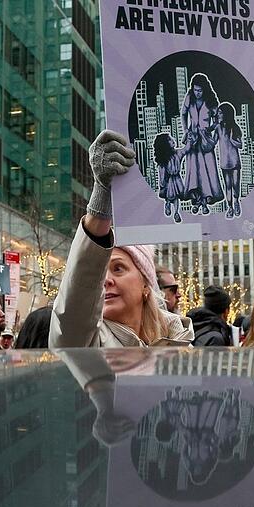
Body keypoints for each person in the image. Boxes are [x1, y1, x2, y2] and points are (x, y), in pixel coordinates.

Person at [49, 130, 194, 348]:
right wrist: (101, 197)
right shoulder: (86, 344)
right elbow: (73, 312)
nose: (104, 280)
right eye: (101, 271)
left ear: (146, 284)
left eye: (118, 268)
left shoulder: (180, 341)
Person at [181, 73, 222, 215]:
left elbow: (218, 120)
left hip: (205, 141)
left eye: (200, 90)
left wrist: (210, 130)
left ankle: (205, 202)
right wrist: (186, 130)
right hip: (193, 139)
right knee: (194, 171)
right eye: (195, 89)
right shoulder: (189, 98)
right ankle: (197, 201)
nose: (197, 93)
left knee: (207, 170)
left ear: (205, 89)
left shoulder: (211, 101)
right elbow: (183, 113)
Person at [153, 132, 192, 223]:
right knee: (170, 196)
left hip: (177, 178)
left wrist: (189, 139)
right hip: (168, 180)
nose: (173, 140)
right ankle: (167, 204)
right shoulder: (163, 159)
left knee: (176, 197)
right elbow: (162, 173)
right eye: (170, 140)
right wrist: (162, 184)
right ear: (165, 144)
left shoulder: (177, 153)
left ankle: (176, 212)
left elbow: (186, 149)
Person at [214, 102, 243, 219]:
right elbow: (213, 142)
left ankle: (236, 202)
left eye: (220, 113)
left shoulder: (235, 128)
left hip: (235, 161)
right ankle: (230, 207)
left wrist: (232, 139)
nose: (218, 115)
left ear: (226, 114)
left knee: (236, 185)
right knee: (228, 186)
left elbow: (240, 144)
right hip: (224, 162)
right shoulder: (218, 128)